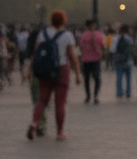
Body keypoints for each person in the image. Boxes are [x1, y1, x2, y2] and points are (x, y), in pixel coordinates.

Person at [27, 10, 81, 141]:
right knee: (60, 103)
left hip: (45, 70)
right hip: (61, 69)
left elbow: (36, 52)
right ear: (63, 21)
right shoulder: (67, 35)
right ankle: (59, 131)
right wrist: (78, 73)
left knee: (42, 100)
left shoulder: (43, 34)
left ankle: (34, 123)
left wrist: (30, 68)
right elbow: (72, 56)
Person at [80, 18, 105, 104]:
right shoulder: (98, 34)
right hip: (95, 58)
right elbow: (102, 44)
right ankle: (95, 95)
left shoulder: (83, 35)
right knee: (96, 77)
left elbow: (81, 45)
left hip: (86, 59)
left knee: (87, 78)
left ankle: (88, 95)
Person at [112, 24, 134, 98]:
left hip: (119, 61)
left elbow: (112, 49)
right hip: (128, 61)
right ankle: (128, 92)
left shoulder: (116, 38)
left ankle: (119, 92)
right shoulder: (130, 39)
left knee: (119, 78)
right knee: (128, 78)